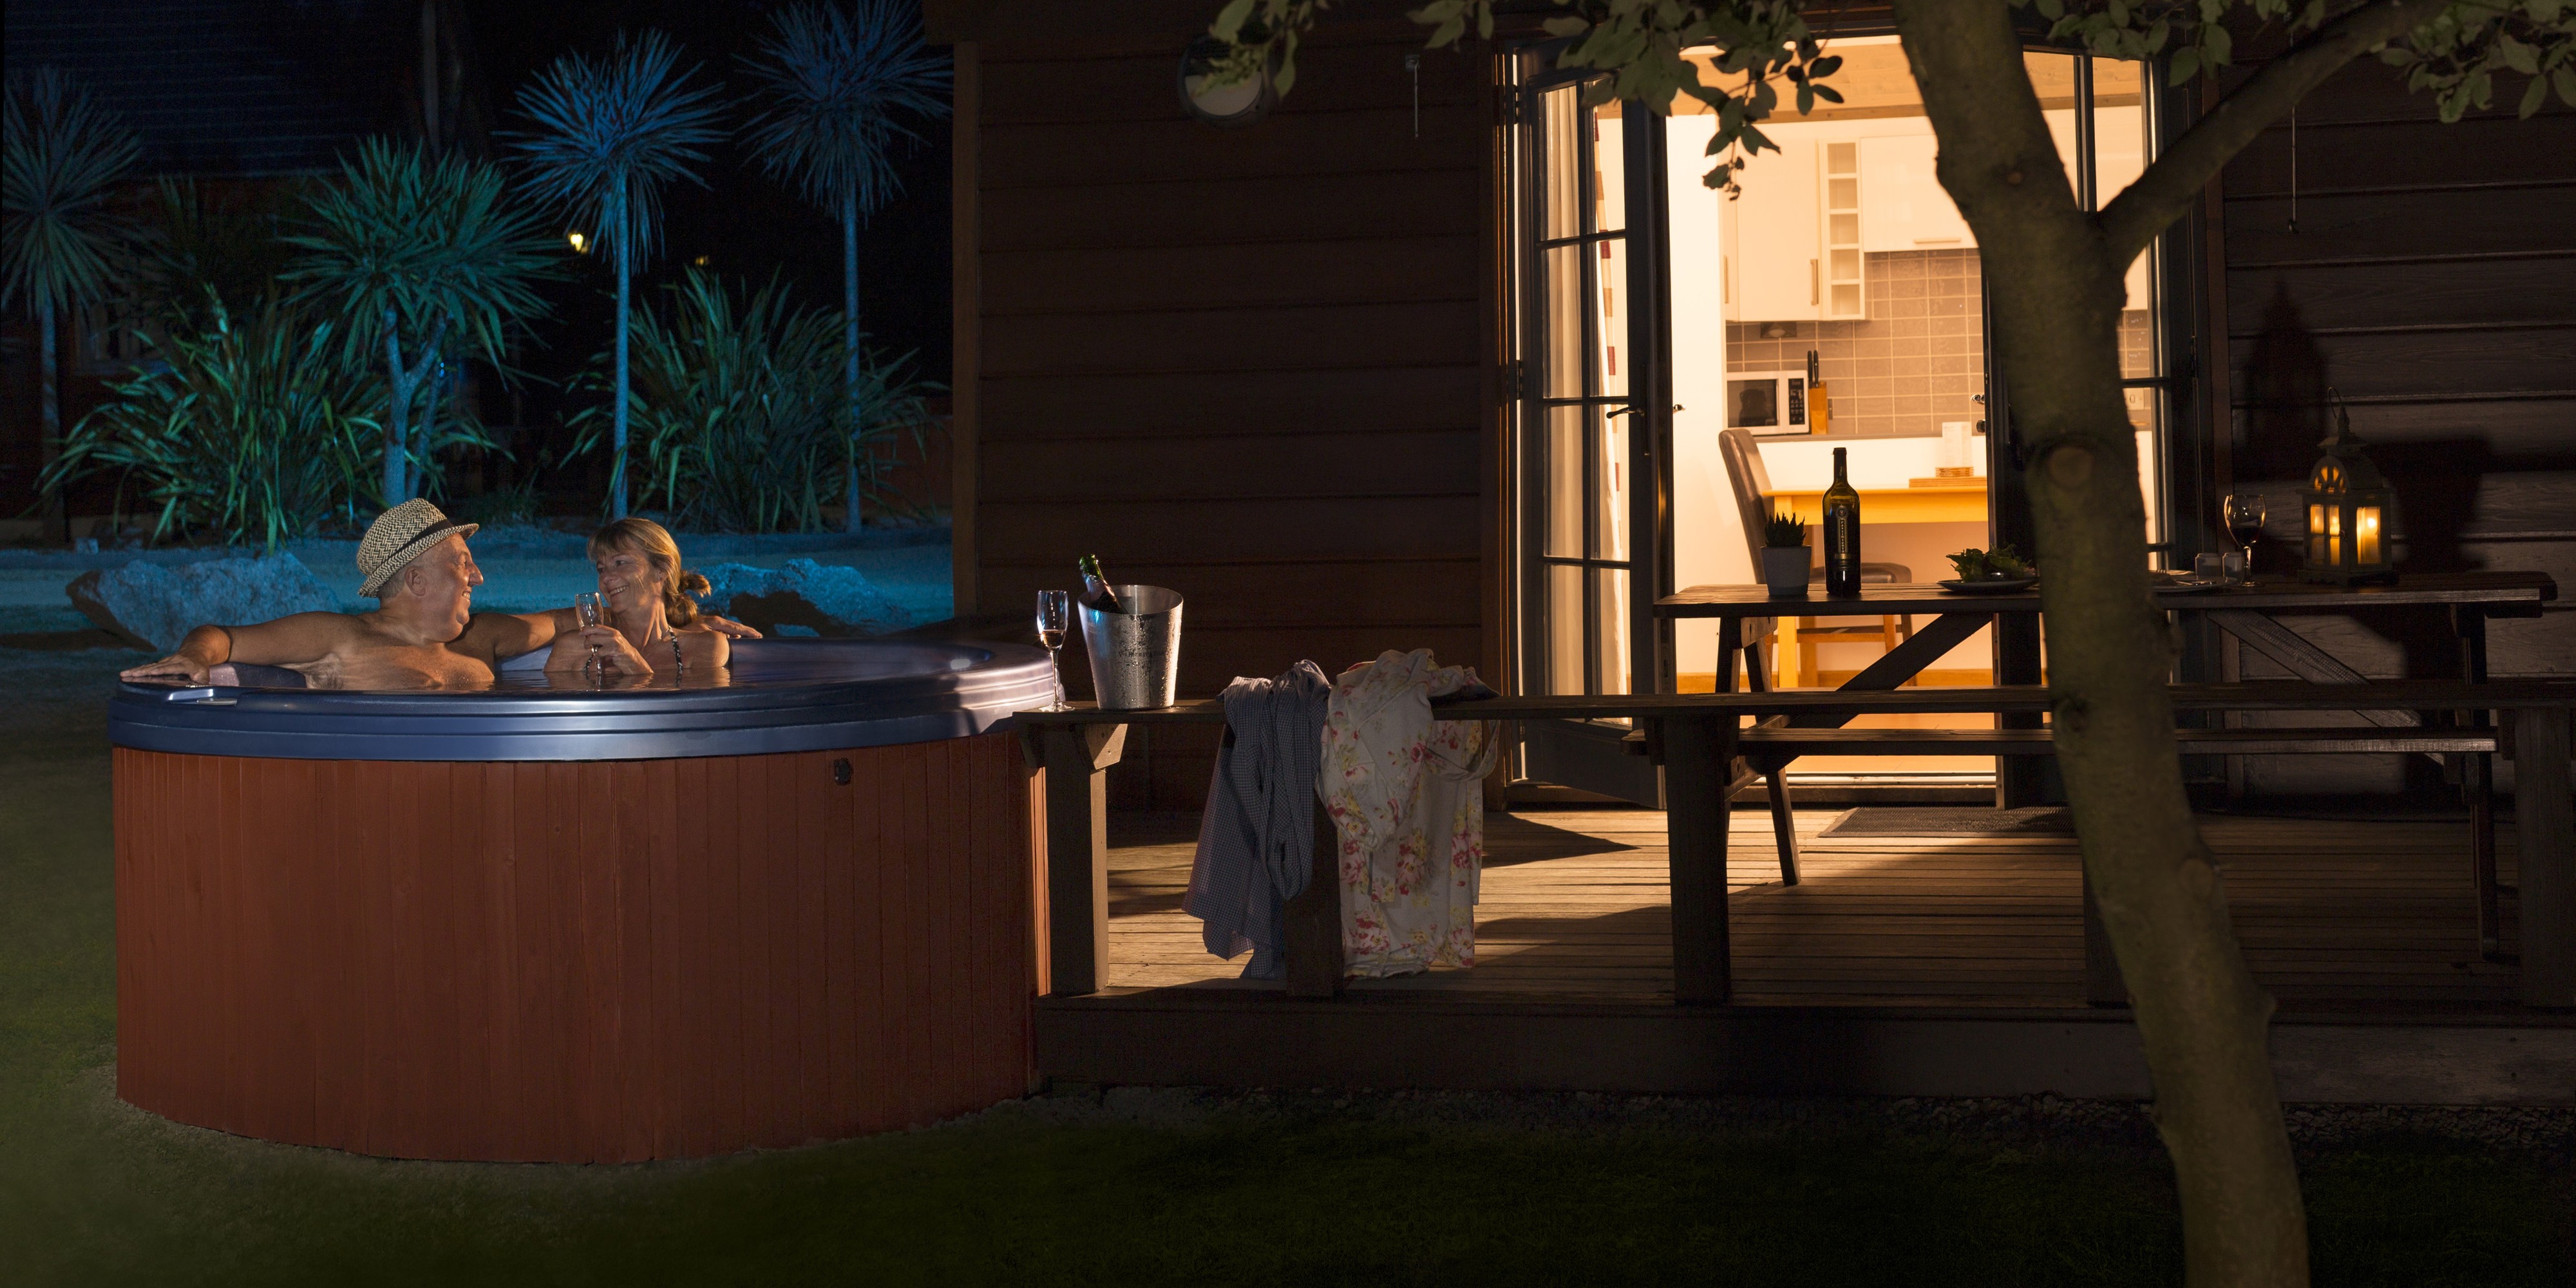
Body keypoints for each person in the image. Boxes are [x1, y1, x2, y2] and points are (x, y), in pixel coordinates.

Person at [120, 499, 556, 689]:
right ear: (417, 581)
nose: (477, 577)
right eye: (463, 563)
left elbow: (571, 618)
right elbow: (223, 638)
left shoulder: (487, 635)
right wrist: (197, 655)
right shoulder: (340, 637)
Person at [542, 518, 733, 677]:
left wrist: (634, 664)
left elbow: (694, 718)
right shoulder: (577, 648)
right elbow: (550, 719)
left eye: (620, 562)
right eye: (601, 569)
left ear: (662, 569)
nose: (606, 577)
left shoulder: (705, 647)